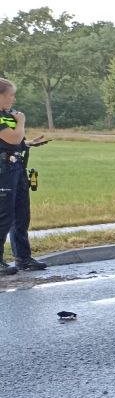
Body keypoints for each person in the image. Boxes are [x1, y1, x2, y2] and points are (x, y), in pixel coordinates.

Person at [0, 78, 46, 275]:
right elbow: (13, 136)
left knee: (21, 214)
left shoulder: (7, 115)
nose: (13, 98)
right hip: (3, 170)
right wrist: (22, 122)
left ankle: (23, 258)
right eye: (11, 95)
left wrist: (27, 144)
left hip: (17, 167)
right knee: (4, 215)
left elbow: (15, 141)